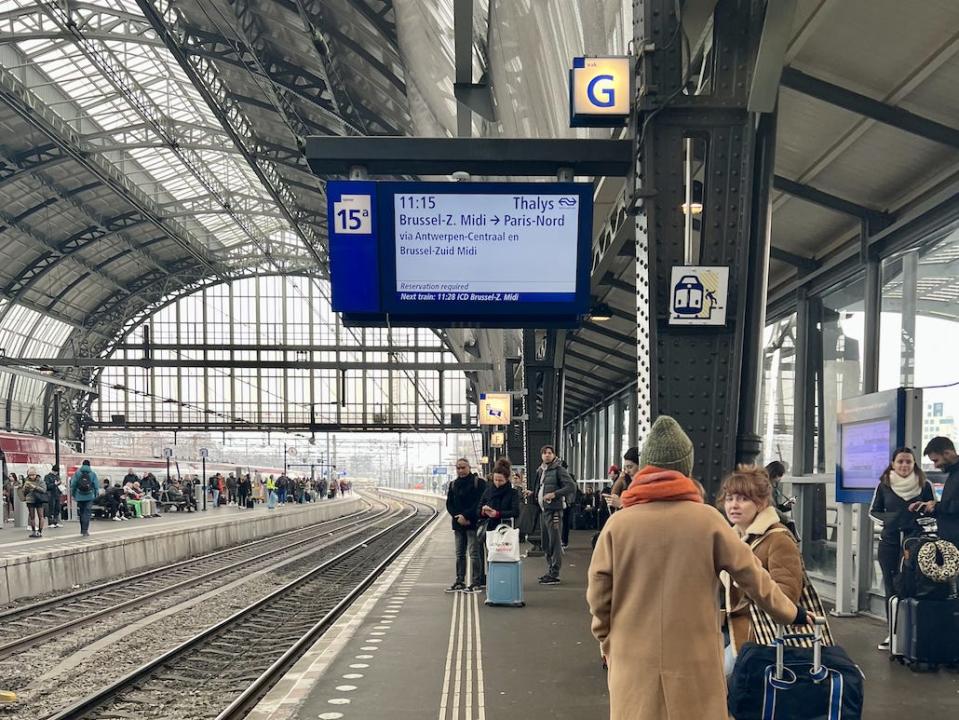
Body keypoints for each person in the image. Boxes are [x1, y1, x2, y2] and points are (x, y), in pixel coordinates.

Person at [587, 416, 807, 720]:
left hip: (632, 653)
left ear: (645, 468)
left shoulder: (618, 525)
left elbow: (599, 594)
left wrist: (605, 637)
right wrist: (790, 612)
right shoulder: (709, 521)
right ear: (685, 468)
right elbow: (753, 575)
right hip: (694, 658)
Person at [719, 464, 805, 677]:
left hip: (759, 633)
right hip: (729, 626)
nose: (734, 505)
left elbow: (787, 597)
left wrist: (747, 581)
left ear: (761, 503)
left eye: (743, 499)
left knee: (719, 676)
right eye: (729, 498)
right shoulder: (733, 538)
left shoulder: (778, 539)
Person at [870, 446, 934, 651]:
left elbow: (934, 510)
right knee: (891, 586)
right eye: (900, 461)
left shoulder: (925, 485)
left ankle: (912, 634)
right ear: (893, 464)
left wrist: (922, 515)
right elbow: (873, 512)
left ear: (914, 463)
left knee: (913, 585)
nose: (904, 465)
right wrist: (890, 521)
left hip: (915, 544)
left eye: (908, 461)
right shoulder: (884, 485)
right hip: (889, 543)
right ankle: (892, 633)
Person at [535, 445, 576, 585]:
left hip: (554, 511)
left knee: (555, 541)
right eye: (544, 453)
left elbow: (571, 486)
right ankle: (550, 570)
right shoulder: (541, 471)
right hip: (544, 510)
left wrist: (555, 494)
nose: (547, 455)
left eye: (549, 453)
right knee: (546, 542)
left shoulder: (559, 470)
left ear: (553, 455)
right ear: (541, 456)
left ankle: (554, 572)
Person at [445, 458, 486, 592]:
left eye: (463, 467)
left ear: (469, 467)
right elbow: (449, 504)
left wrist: (466, 516)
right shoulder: (453, 484)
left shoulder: (478, 483)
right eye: (458, 468)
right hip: (458, 524)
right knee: (460, 554)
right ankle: (460, 580)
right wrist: (458, 517)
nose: (461, 470)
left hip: (472, 523)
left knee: (474, 553)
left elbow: (480, 502)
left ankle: (477, 580)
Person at [917, 436, 959, 547]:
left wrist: (937, 507)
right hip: (950, 544)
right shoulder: (953, 474)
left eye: (936, 460)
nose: (935, 465)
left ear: (947, 453)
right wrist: (932, 508)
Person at [478, 458, 521, 532]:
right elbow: (479, 509)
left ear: (506, 479)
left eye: (500, 480)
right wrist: (483, 511)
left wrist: (497, 514)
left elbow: (515, 512)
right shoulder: (488, 491)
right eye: (495, 480)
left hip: (506, 529)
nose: (497, 483)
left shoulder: (512, 493)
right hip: (489, 529)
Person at [70, 460, 99, 537]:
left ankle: (82, 529)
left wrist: (73, 495)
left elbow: (73, 485)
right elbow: (96, 486)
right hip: (89, 496)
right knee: (87, 513)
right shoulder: (93, 474)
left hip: (79, 496)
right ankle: (85, 530)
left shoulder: (77, 473)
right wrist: (95, 495)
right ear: (89, 465)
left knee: (82, 513)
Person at [605, 447, 639, 513]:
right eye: (625, 468)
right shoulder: (625, 480)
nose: (626, 471)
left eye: (630, 467)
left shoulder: (647, 486)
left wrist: (622, 504)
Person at [20, 467, 48, 538]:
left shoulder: (40, 481)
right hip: (30, 500)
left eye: (33, 475)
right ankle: (33, 531)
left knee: (40, 516)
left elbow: (44, 490)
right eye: (30, 475)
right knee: (32, 516)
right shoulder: (26, 481)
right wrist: (26, 488)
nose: (31, 476)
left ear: (36, 474)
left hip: (39, 499)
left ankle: (40, 531)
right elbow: (23, 492)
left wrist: (34, 487)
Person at [44, 465, 63, 529]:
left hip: (57, 494)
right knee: (51, 509)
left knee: (57, 509)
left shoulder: (57, 477)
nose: (56, 473)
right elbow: (47, 486)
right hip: (51, 495)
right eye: (55, 471)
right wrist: (55, 484)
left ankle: (56, 522)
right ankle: (50, 522)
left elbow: (59, 485)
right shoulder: (47, 477)